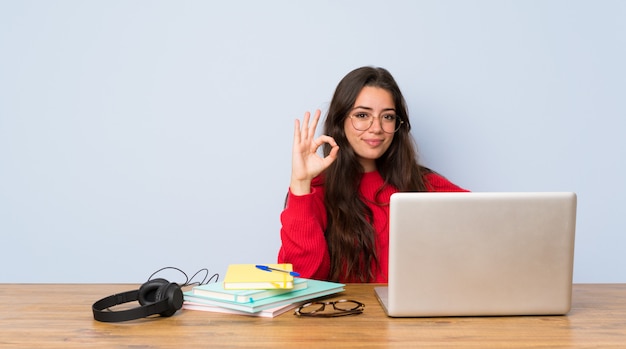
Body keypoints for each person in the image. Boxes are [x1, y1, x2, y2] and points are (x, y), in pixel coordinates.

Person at [278, 66, 467, 283]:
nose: (376, 127)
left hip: (415, 316)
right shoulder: (317, 191)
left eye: (387, 117)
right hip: (345, 314)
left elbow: (486, 233)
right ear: (340, 122)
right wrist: (300, 184)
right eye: (362, 115)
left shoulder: (425, 185)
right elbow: (303, 279)